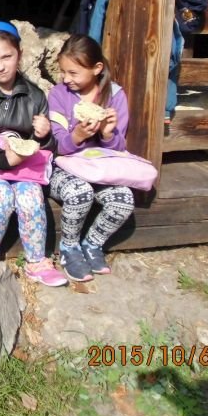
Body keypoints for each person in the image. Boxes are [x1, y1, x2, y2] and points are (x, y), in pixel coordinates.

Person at [0, 21, 68, 287]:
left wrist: (43, 136)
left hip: (24, 171)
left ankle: (37, 261)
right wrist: (2, 159)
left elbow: (47, 148)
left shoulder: (35, 95)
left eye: (6, 56)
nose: (0, 66)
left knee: (30, 195)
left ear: (19, 53)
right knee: (0, 193)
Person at [47, 34, 135, 282]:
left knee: (123, 199)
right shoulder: (58, 95)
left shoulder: (115, 95)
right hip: (63, 167)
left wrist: (107, 134)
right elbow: (56, 145)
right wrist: (76, 136)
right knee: (80, 192)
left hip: (99, 167)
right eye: (63, 72)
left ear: (97, 68)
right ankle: (69, 247)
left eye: (73, 73)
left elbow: (118, 147)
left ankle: (93, 244)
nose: (66, 79)